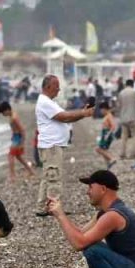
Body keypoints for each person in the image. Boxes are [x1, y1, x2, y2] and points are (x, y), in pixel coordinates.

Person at [34, 75, 94, 215]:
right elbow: (64, 117)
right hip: (52, 146)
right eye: (56, 86)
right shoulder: (45, 102)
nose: (59, 89)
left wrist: (83, 113)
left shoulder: (49, 102)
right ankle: (53, 208)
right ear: (48, 86)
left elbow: (66, 116)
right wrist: (83, 113)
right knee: (54, 178)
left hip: (51, 145)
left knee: (47, 177)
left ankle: (42, 207)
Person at [0, 102, 36, 180]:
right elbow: (14, 128)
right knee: (18, 157)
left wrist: (22, 142)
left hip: (18, 138)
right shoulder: (12, 116)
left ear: (7, 110)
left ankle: (12, 175)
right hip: (15, 137)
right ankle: (30, 171)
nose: (3, 115)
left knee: (10, 156)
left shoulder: (14, 118)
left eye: (3, 113)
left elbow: (22, 129)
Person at [117, 79, 135, 160]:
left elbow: (119, 105)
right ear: (132, 84)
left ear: (125, 84)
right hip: (133, 117)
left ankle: (122, 154)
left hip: (123, 118)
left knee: (124, 137)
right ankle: (132, 154)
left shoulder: (121, 93)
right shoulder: (134, 92)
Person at [94, 99, 119, 167]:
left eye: (101, 109)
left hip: (107, 134)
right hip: (105, 134)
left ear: (104, 109)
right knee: (104, 150)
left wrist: (107, 135)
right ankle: (108, 164)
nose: (101, 111)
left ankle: (112, 159)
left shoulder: (109, 116)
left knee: (99, 149)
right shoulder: (107, 116)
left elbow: (113, 126)